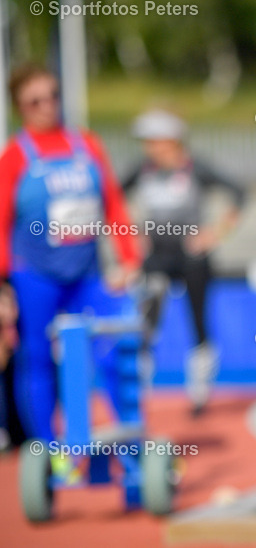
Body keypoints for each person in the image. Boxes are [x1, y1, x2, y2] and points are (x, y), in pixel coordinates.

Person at [0, 64, 140, 442]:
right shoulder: (14, 157)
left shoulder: (87, 145)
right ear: (20, 107)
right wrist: (3, 286)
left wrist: (128, 258)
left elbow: (112, 203)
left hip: (88, 274)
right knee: (39, 359)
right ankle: (50, 453)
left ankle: (131, 449)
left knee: (116, 352)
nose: (48, 106)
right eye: (35, 101)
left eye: (53, 96)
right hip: (36, 277)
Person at [121, 109, 245, 416]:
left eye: (155, 141)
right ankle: (137, 390)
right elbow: (113, 197)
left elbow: (239, 193)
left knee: (198, 318)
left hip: (192, 254)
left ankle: (200, 391)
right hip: (156, 254)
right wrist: (131, 235)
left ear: (172, 141)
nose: (149, 149)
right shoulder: (143, 170)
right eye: (146, 142)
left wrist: (215, 233)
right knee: (147, 319)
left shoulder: (195, 168)